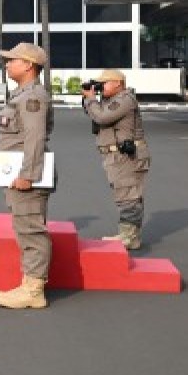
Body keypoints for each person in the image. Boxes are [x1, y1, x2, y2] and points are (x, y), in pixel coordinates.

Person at [0, 42, 54, 310]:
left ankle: (33, 289)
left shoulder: (33, 96)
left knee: (31, 230)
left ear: (28, 65)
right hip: (16, 172)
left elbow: (35, 136)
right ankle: (30, 283)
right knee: (24, 228)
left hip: (25, 175)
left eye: (12, 60)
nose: (7, 64)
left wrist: (28, 174)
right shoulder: (21, 94)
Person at [82, 69, 149, 250]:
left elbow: (102, 117)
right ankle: (128, 233)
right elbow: (96, 116)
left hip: (126, 155)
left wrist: (91, 99)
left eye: (104, 83)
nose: (100, 86)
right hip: (116, 155)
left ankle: (129, 236)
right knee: (124, 193)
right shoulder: (110, 100)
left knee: (128, 194)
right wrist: (90, 100)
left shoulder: (125, 99)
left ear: (118, 83)